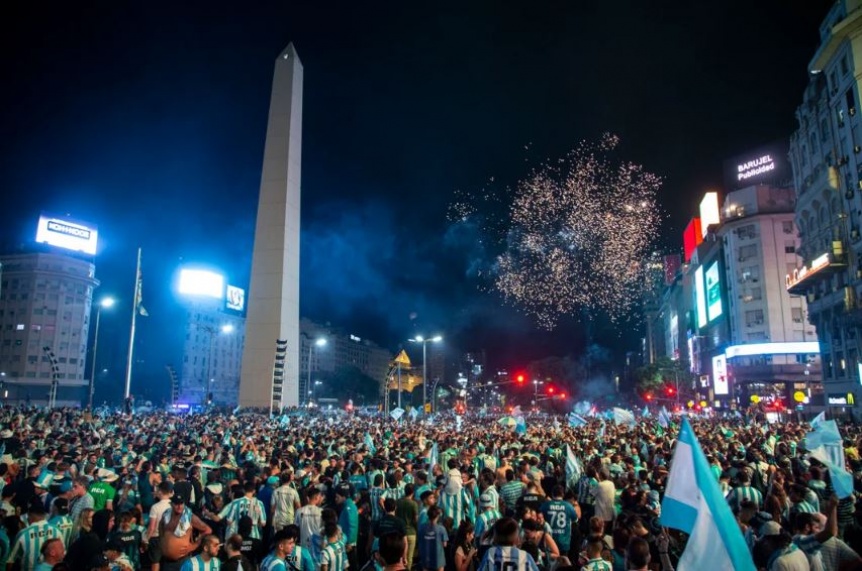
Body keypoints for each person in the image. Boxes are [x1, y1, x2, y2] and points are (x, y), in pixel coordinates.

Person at [159, 494, 212, 571]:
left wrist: (194, 546)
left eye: (181, 504)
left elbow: (208, 530)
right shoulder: (166, 515)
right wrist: (162, 542)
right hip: (166, 561)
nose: (179, 506)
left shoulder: (189, 517)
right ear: (171, 504)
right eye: (177, 504)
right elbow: (161, 527)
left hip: (182, 561)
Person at [9, 503, 62, 571]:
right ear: (45, 515)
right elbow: (62, 554)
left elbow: (11, 560)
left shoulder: (23, 534)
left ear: (29, 515)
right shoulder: (56, 530)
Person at [418, 506, 447, 571]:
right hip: (438, 559)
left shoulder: (421, 528)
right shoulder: (441, 529)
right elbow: (444, 544)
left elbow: (419, 540)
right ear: (438, 515)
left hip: (425, 558)